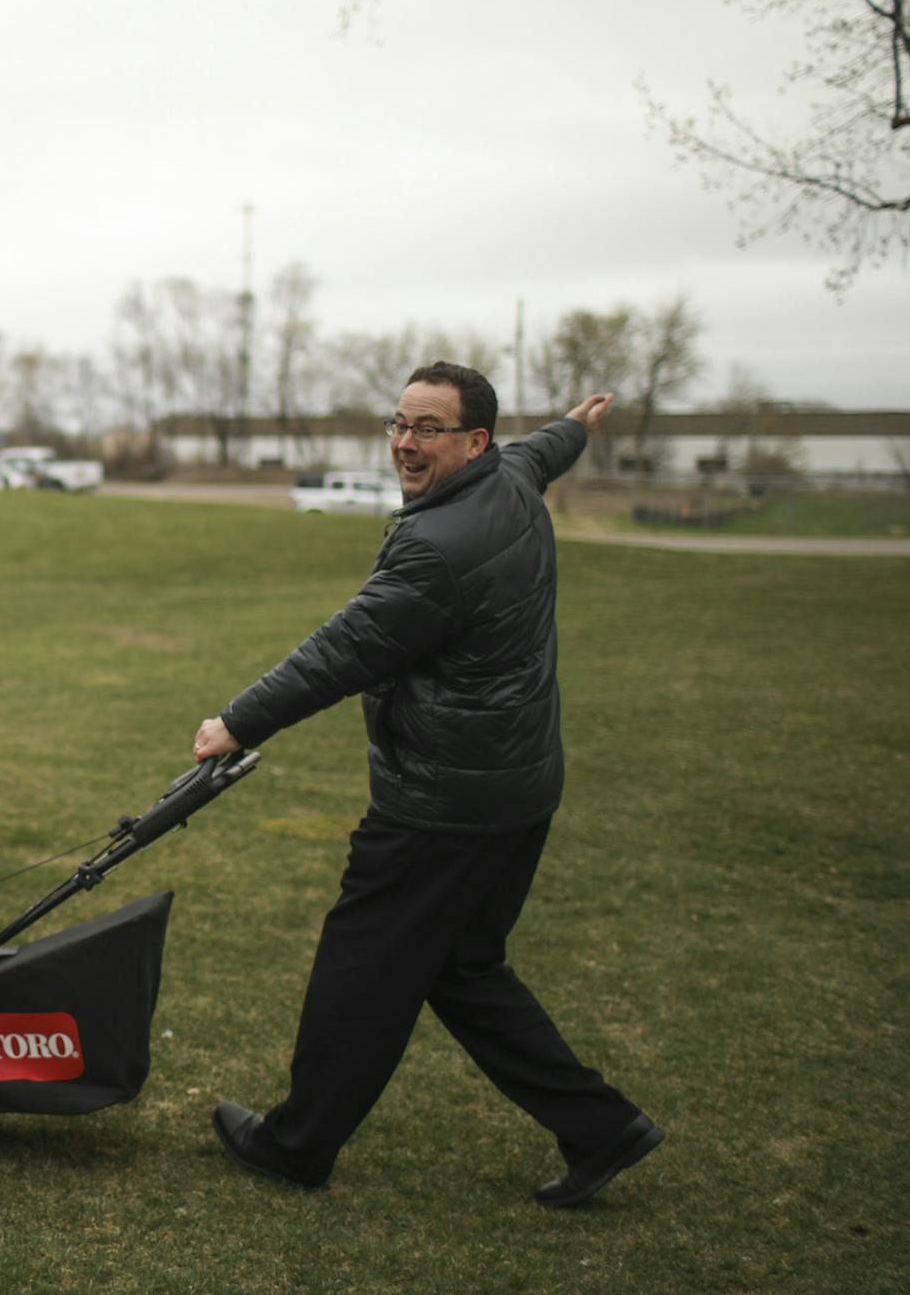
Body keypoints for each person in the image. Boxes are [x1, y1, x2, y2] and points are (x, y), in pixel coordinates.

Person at [193, 362, 663, 1208]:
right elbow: (540, 452)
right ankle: (602, 1126)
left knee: (359, 968)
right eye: (400, 423)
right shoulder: (511, 476)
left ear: (472, 442)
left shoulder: (439, 545)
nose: (406, 443)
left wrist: (239, 720)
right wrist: (575, 425)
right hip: (516, 791)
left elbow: (344, 649)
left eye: (429, 429)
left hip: (443, 806)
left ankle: (297, 1145)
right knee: (465, 968)